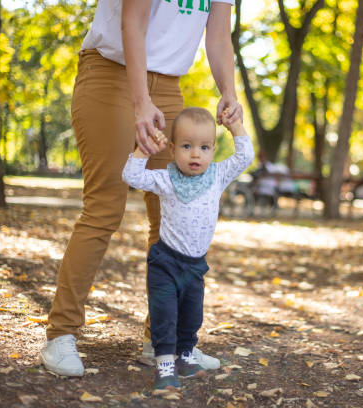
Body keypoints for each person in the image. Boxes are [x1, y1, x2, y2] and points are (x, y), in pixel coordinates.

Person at [40, 0, 242, 377]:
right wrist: (140, 102)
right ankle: (61, 334)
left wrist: (229, 90)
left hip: (168, 84)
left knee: (171, 213)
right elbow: (132, 22)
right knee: (104, 208)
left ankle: (163, 341)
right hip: (111, 74)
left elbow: (218, 36)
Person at [122, 107, 254, 390]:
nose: (196, 154)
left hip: (195, 266)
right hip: (165, 263)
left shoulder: (217, 175)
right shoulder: (166, 178)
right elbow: (131, 176)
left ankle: (185, 356)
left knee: (193, 316)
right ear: (171, 149)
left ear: (213, 149)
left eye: (204, 147)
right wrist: (144, 151)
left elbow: (245, 156)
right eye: (186, 146)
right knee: (165, 317)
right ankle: (165, 367)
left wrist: (236, 126)